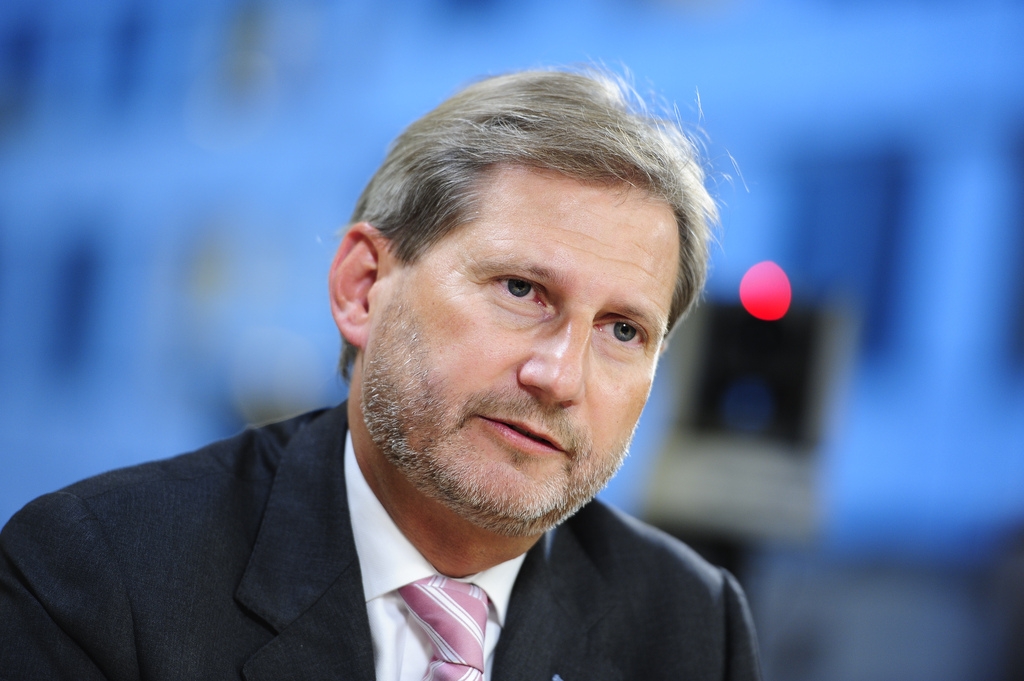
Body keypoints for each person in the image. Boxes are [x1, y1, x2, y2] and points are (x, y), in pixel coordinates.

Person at [0, 68, 761, 680]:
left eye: (623, 330)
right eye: (521, 290)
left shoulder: (694, 625)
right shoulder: (97, 574)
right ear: (363, 287)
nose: (560, 376)